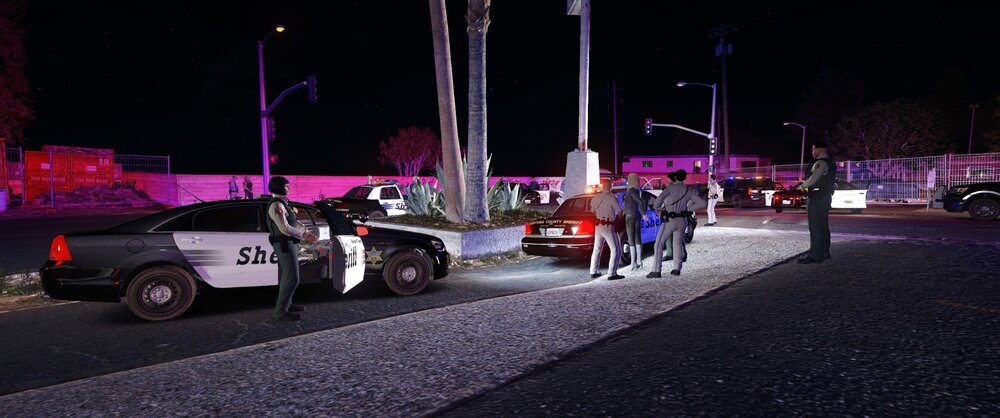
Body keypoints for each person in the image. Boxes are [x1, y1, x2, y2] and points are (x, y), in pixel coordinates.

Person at [266, 176, 318, 321]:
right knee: (292, 278)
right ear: (279, 187)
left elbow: (293, 222)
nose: (289, 188)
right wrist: (305, 236)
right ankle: (280, 313)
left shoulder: (283, 203)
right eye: (286, 186)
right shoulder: (277, 205)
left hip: (289, 242)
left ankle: (287, 304)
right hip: (284, 243)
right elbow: (285, 228)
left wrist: (306, 232)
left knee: (288, 277)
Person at [647, 169, 706, 277]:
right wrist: (688, 208)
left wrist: (657, 207)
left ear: (675, 178)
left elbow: (657, 202)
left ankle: (656, 270)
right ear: (684, 178)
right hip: (682, 219)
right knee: (677, 243)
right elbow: (702, 203)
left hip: (669, 219)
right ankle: (676, 268)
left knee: (659, 243)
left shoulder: (670, 188)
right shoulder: (688, 190)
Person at [797, 141, 836, 264]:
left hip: (817, 198)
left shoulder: (820, 163)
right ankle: (824, 252)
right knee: (823, 225)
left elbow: (813, 179)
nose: (812, 152)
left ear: (819, 150)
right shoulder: (830, 162)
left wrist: (802, 185)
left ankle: (815, 254)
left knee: (815, 226)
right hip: (824, 197)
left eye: (813, 149)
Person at [589, 178, 625, 280]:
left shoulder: (595, 197)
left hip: (598, 226)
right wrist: (619, 222)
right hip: (608, 226)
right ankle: (612, 273)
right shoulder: (612, 198)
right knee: (616, 250)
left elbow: (592, 212)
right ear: (610, 186)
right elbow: (620, 213)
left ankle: (593, 271)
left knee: (597, 249)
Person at [623, 173, 649, 270]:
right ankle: (639, 261)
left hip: (630, 217)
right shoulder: (636, 191)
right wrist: (643, 214)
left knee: (631, 239)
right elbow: (640, 203)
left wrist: (644, 214)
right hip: (637, 215)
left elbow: (640, 202)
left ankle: (633, 263)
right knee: (638, 238)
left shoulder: (631, 191)